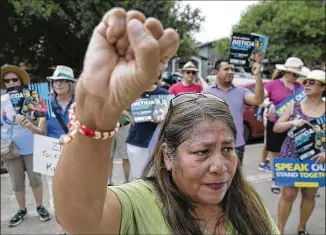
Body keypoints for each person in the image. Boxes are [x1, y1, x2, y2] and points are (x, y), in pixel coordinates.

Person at [52, 8, 279, 235]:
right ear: (168, 156)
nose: (220, 167)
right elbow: (78, 218)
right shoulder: (139, 204)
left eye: (228, 148)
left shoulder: (247, 200)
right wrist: (95, 114)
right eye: (202, 151)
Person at [18, 65, 76, 235]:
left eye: (62, 80)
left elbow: (85, 129)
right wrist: (29, 126)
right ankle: (61, 230)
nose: (58, 84)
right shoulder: (45, 102)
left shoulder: (81, 103)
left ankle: (76, 228)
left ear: (70, 83)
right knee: (56, 196)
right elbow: (41, 132)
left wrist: (71, 137)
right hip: (52, 155)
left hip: (76, 156)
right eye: (55, 81)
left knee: (76, 194)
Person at [273, 70, 325, 235]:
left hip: (316, 158)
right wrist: (292, 122)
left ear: (323, 87)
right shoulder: (294, 105)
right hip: (291, 156)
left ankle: (302, 228)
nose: (306, 85)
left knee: (309, 195)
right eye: (305, 82)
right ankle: (279, 230)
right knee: (288, 195)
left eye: (312, 82)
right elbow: (276, 127)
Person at [0, 64, 51, 227]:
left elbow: (43, 123)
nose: (11, 82)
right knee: (16, 181)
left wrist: (32, 125)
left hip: (32, 143)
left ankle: (39, 206)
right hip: (9, 147)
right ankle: (22, 210)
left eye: (14, 79)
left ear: (21, 80)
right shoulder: (1, 101)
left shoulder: (35, 96)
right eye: (7, 80)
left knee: (35, 179)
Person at [203, 59, 265, 163]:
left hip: (236, 145)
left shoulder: (241, 91)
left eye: (232, 69)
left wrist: (257, 75)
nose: (230, 72)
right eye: (226, 69)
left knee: (236, 178)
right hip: (214, 145)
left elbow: (258, 100)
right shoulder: (206, 93)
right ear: (216, 72)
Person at [263, 57, 309, 194]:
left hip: (294, 125)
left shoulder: (300, 88)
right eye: (295, 74)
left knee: (292, 153)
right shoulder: (272, 84)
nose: (296, 77)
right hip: (275, 123)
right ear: (286, 72)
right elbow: (260, 98)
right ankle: (276, 179)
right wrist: (268, 104)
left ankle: (290, 178)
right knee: (275, 153)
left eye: (298, 74)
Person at [126, 82, 169, 180]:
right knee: (137, 177)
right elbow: (120, 108)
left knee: (154, 176)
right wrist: (129, 115)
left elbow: (169, 115)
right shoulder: (133, 92)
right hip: (136, 141)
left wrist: (162, 119)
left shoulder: (163, 93)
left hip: (156, 142)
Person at [107, 110, 131, 185]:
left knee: (125, 157)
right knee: (108, 157)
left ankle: (127, 181)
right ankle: (109, 183)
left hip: (124, 125)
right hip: (108, 127)